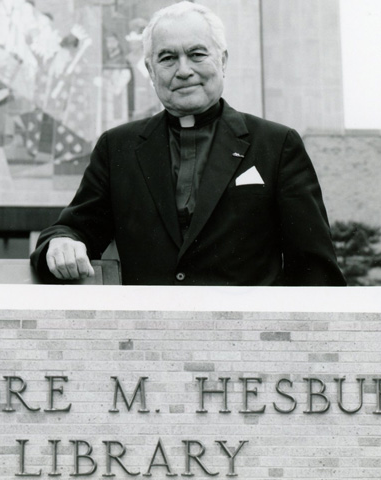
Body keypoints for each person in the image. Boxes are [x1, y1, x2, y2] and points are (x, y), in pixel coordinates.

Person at [30, 1, 345, 286]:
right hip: (148, 341)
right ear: (151, 71)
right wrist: (61, 244)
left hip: (245, 342)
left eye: (197, 54)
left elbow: (314, 269)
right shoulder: (118, 147)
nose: (184, 70)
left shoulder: (276, 145)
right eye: (167, 58)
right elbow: (73, 230)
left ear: (222, 60)